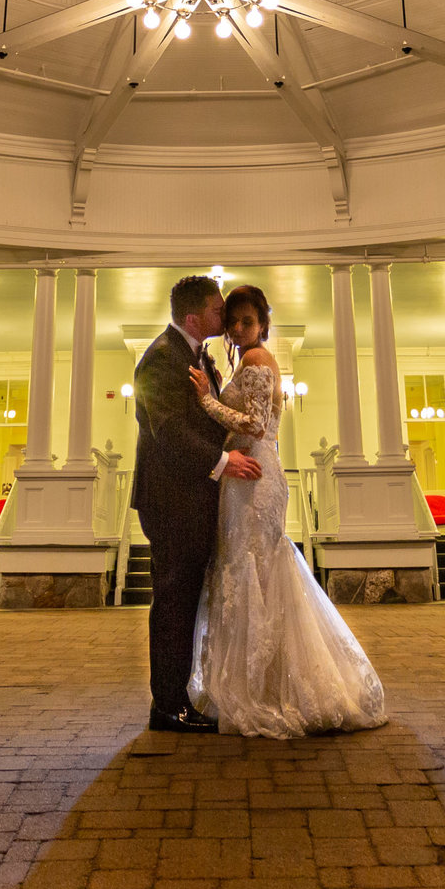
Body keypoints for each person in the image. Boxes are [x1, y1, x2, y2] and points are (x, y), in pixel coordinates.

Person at [186, 283, 387, 737]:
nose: (237, 329)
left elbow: (255, 423)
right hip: (248, 474)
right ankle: (266, 682)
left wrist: (206, 401)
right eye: (233, 322)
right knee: (251, 568)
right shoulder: (250, 359)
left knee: (255, 569)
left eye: (247, 322)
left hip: (254, 478)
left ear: (263, 325)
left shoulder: (257, 360)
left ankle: (266, 689)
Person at [132, 273, 261, 733]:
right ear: (193, 316)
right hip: (170, 499)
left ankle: (176, 696)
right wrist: (223, 460)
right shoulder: (162, 359)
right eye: (215, 310)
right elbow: (167, 431)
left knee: (185, 601)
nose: (222, 316)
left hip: (191, 497)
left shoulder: (194, 355)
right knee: (172, 602)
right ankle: (167, 705)